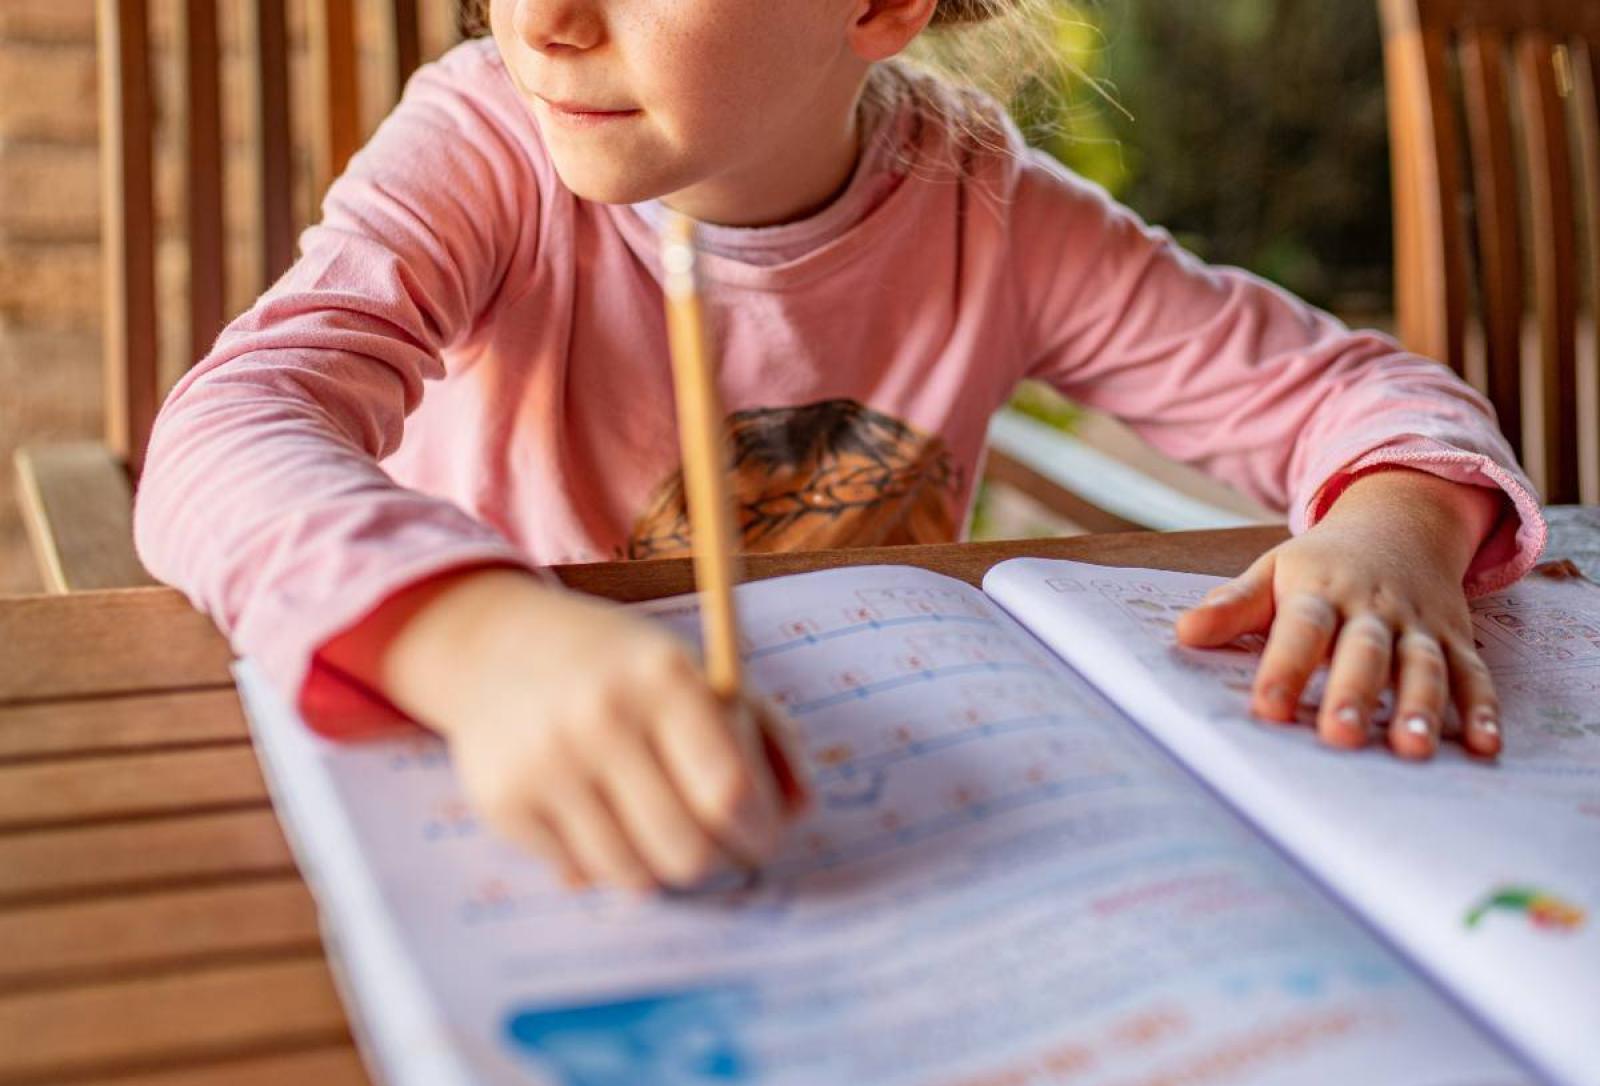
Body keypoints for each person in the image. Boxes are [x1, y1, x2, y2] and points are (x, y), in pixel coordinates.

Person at [132, 0, 1548, 893]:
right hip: (497, 817)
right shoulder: (484, 149)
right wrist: (480, 643)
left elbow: (1358, 393)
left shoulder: (989, 210)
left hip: (882, 829)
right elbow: (228, 426)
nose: (544, 21)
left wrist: (1395, 529)